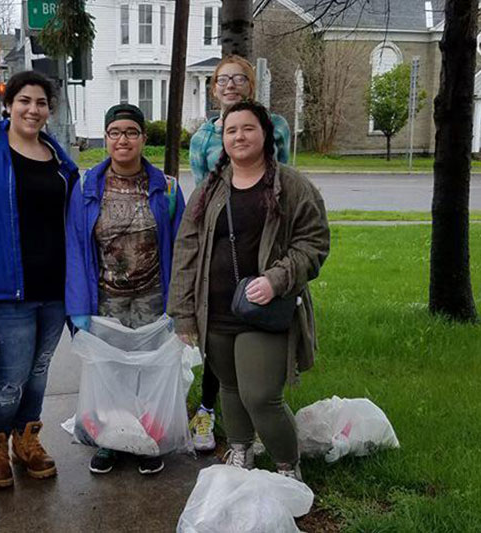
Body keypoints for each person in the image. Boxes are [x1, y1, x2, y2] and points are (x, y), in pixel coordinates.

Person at [168, 100, 329, 480]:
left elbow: (315, 241)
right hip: (217, 310)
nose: (239, 136)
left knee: (260, 396)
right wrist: (183, 312)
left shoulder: (291, 185)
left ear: (265, 133)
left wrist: (277, 279)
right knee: (230, 387)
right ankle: (241, 452)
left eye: (247, 128)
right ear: (222, 140)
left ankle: (288, 465)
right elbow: (186, 249)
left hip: (266, 312)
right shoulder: (210, 189)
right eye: (230, 130)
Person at [0, 71, 80, 490]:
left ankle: (26, 441)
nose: (33, 109)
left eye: (41, 103)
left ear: (50, 110)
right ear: (8, 104)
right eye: (24, 101)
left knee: (38, 370)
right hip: (3, 288)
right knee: (11, 372)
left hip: (53, 288)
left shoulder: (58, 157)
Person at [65, 104, 185, 475]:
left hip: (153, 297)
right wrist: (79, 306)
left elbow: (183, 248)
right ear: (105, 138)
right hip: (106, 300)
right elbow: (74, 246)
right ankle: (110, 441)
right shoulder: (86, 187)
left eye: (131, 132)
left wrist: (180, 304)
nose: (123, 139)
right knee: (110, 374)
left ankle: (148, 441)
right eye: (115, 132)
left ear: (143, 139)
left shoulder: (167, 188)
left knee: (150, 374)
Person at [186, 54, 292, 453]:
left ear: (251, 85)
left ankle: (263, 421)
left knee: (260, 343)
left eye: (239, 79)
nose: (230, 85)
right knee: (221, 346)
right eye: (222, 80)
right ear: (213, 88)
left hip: (262, 248)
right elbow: (203, 200)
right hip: (221, 251)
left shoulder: (275, 126)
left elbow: (283, 182)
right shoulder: (203, 138)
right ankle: (207, 412)